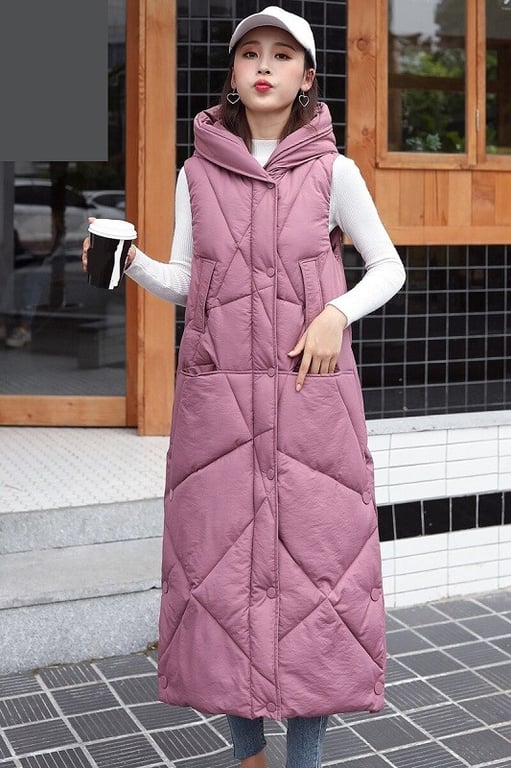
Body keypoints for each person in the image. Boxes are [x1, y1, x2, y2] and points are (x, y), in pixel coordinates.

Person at [83, 7, 405, 767]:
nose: (264, 65)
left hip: (309, 403)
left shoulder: (335, 172)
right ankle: (247, 754)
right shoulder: (196, 172)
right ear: (231, 74)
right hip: (218, 409)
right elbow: (188, 282)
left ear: (307, 77)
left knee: (316, 586)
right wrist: (130, 262)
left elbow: (388, 268)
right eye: (250, 53)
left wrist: (334, 313)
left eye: (282, 55)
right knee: (221, 581)